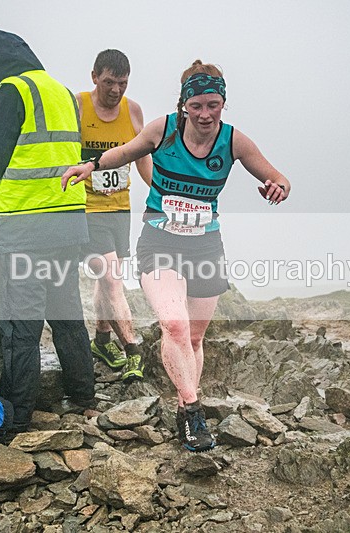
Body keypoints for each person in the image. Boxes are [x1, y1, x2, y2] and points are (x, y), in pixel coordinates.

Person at [63, 60, 291, 452]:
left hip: (205, 245)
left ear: (223, 103)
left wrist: (277, 187)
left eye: (213, 105)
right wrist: (91, 165)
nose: (205, 114)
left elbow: (278, 177)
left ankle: (188, 399)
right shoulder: (163, 129)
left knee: (196, 337)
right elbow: (126, 152)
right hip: (159, 240)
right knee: (174, 326)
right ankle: (191, 410)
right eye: (197, 106)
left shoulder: (234, 141)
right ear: (184, 104)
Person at [0, 29, 95, 434]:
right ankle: (84, 395)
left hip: (24, 225)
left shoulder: (10, 92)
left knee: (21, 324)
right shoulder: (62, 92)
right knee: (67, 313)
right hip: (67, 221)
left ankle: (17, 413)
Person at [76, 49, 152, 382]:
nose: (116, 90)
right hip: (86, 208)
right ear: (94, 76)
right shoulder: (77, 105)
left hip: (120, 207)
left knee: (106, 278)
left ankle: (102, 340)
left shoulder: (133, 111)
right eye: (109, 82)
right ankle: (133, 348)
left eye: (122, 83)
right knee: (111, 278)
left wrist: (158, 190)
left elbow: (141, 156)